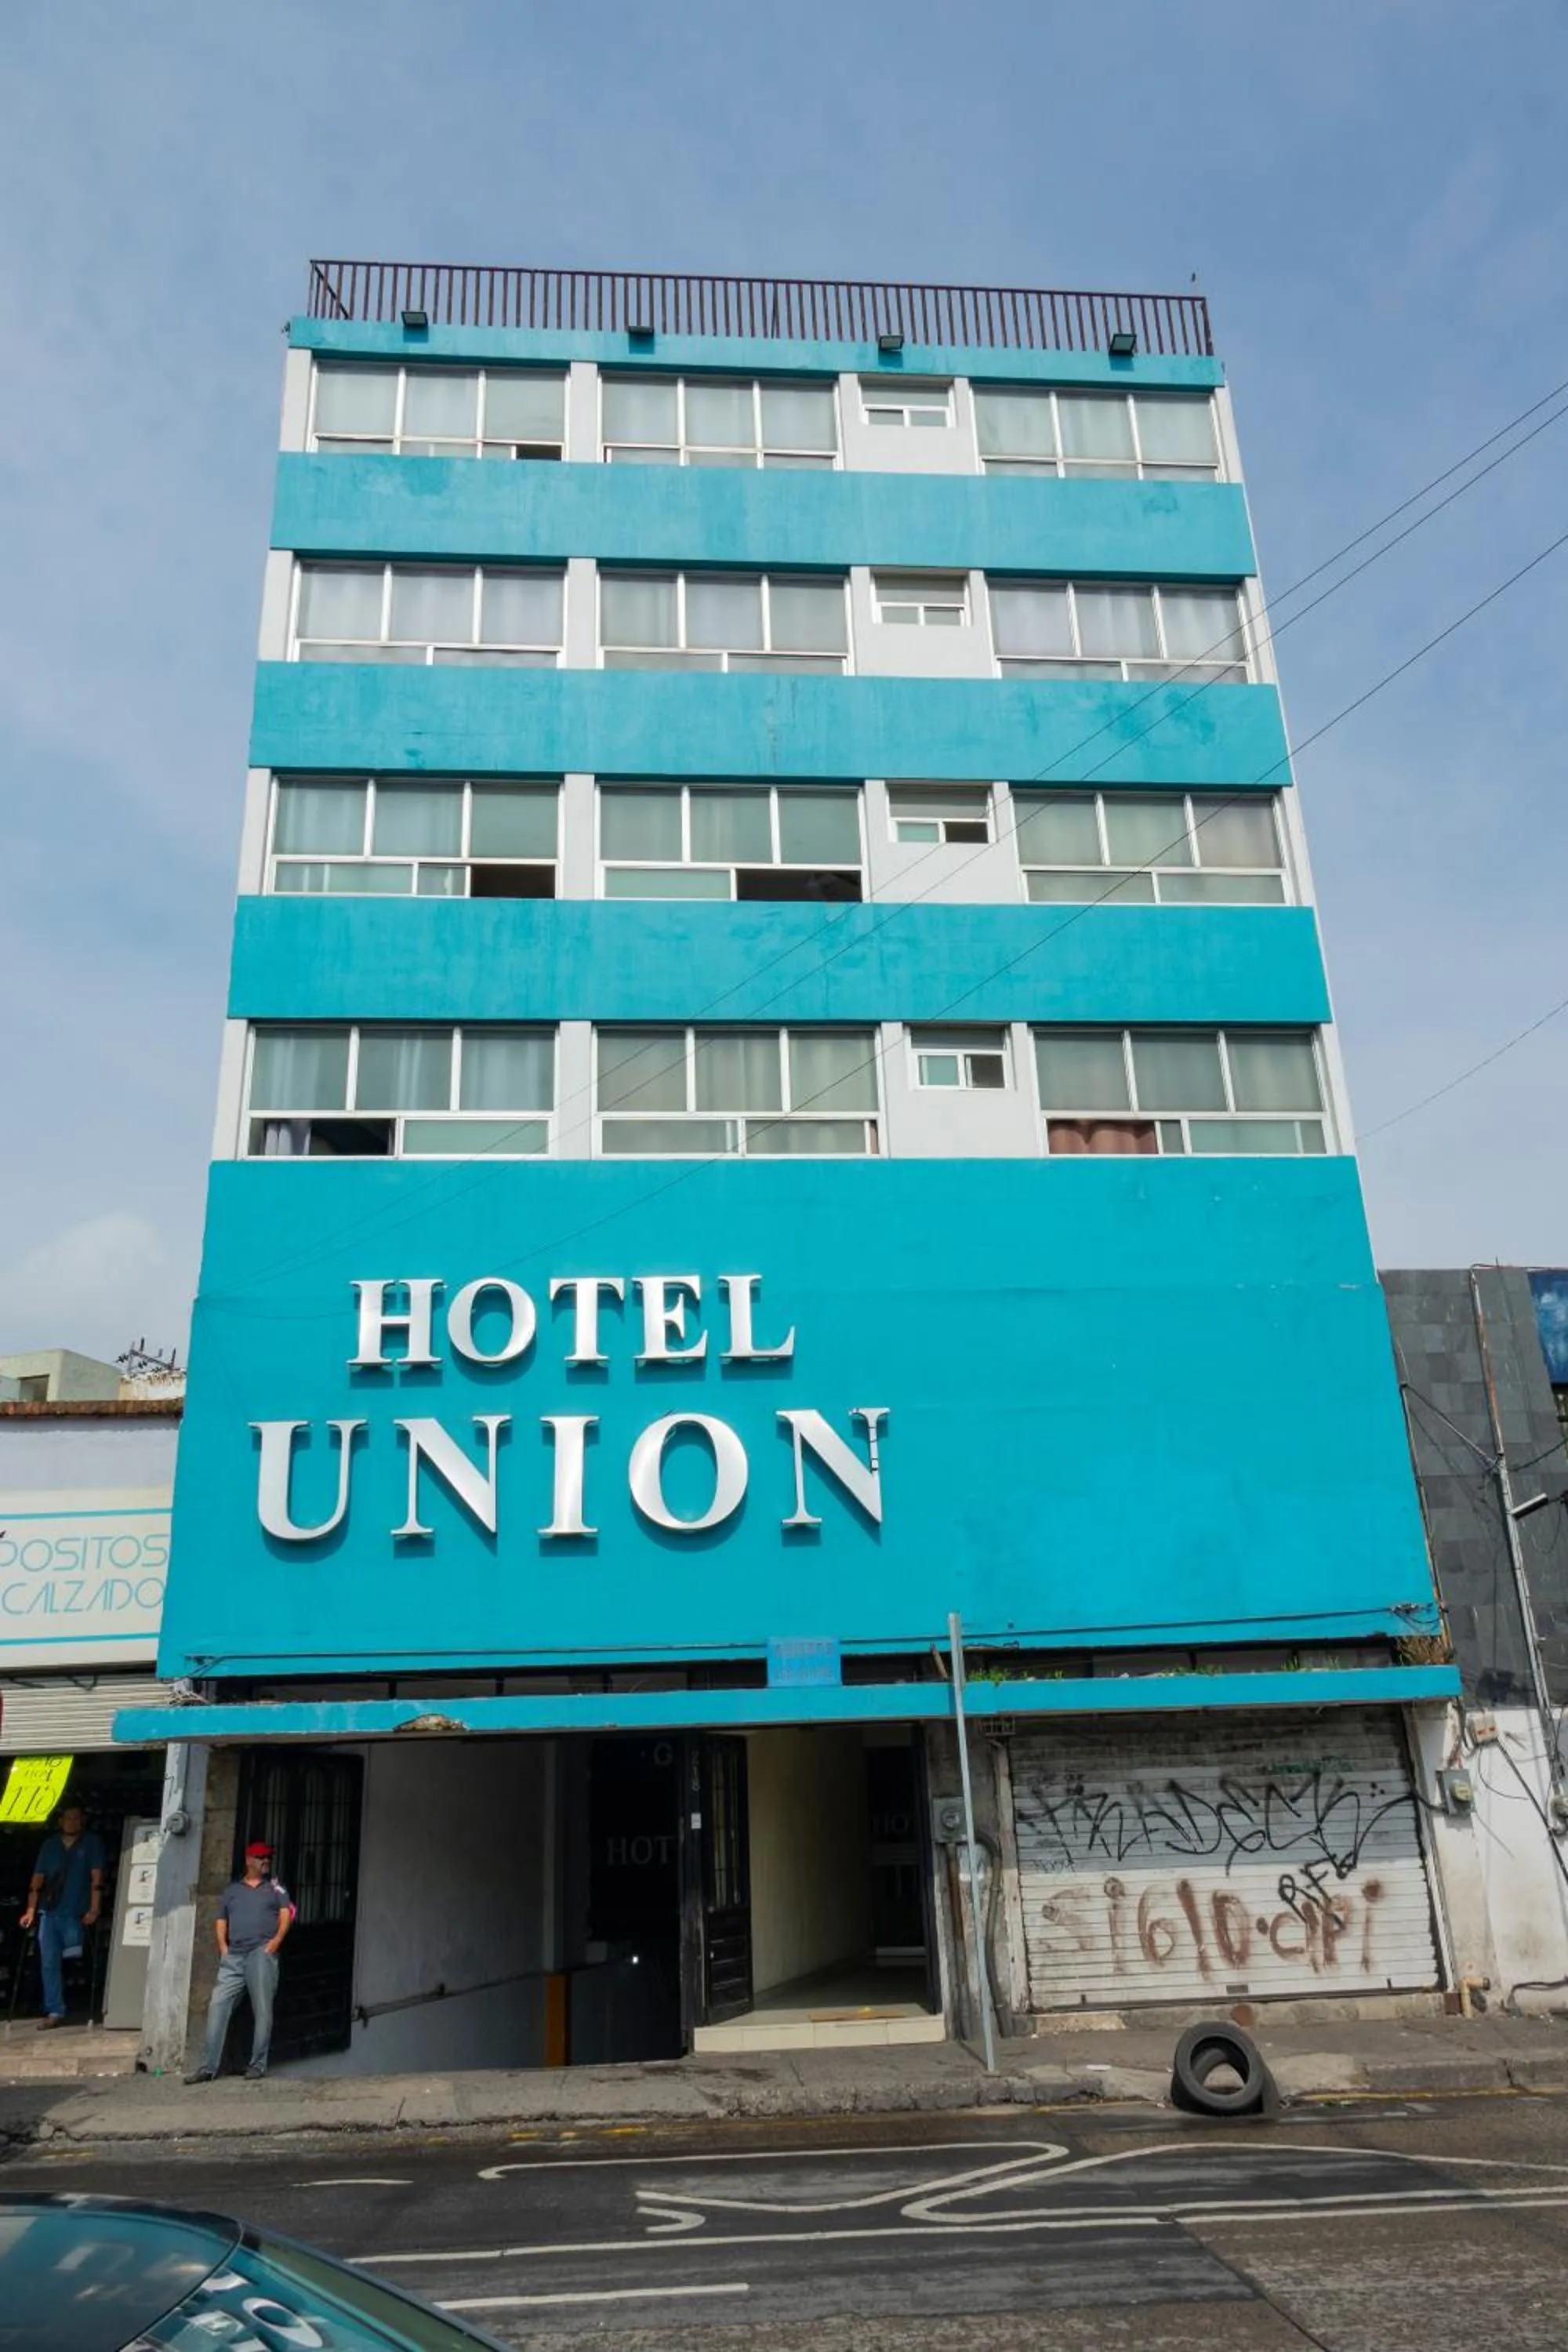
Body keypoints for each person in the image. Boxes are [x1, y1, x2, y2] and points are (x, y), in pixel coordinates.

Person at [185, 1841, 294, 2082]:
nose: (265, 1862)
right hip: (234, 1955)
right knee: (218, 2006)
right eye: (260, 1858)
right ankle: (209, 2067)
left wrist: (274, 1943)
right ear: (249, 1860)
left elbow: (286, 1915)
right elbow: (221, 1920)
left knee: (263, 2009)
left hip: (260, 1953)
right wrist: (223, 1946)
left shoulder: (275, 1889)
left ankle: (257, 2065)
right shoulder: (232, 1891)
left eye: (268, 1858)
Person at [19, 1802, 106, 2029]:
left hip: (76, 1914)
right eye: (68, 1818)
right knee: (49, 1963)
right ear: (60, 1822)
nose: (73, 1822)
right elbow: (37, 1880)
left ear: (83, 1820)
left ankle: (88, 2006)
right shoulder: (50, 1846)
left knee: (76, 1960)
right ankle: (55, 2010)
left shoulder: (91, 1843)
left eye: (77, 1818)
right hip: (50, 1913)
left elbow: (97, 1878)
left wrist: (95, 1908)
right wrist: (30, 1910)